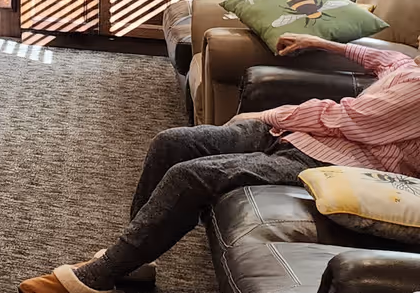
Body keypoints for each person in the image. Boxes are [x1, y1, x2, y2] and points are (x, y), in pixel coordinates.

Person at [21, 33, 420, 293]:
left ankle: (101, 275)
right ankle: (135, 262)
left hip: (330, 164)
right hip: (294, 137)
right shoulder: (411, 70)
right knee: (172, 143)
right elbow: (389, 59)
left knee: (191, 176)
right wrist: (322, 43)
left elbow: (346, 118)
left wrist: (267, 114)